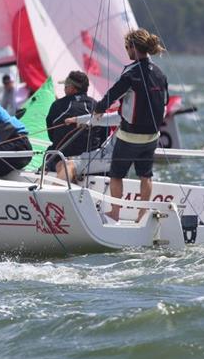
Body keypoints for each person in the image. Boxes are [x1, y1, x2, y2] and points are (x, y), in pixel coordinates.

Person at [69, 29, 168, 221]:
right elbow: (164, 103)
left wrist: (97, 111)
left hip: (130, 136)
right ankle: (142, 215)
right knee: (145, 176)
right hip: (152, 136)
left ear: (133, 47)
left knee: (116, 175)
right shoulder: (160, 73)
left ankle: (115, 212)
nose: (126, 51)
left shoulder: (131, 73)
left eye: (127, 47)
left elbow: (111, 96)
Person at [45, 71, 107, 182]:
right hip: (90, 164)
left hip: (61, 161)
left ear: (73, 89)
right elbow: (104, 137)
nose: (64, 89)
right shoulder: (97, 106)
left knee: (51, 152)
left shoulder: (57, 105)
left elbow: (51, 136)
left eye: (66, 86)